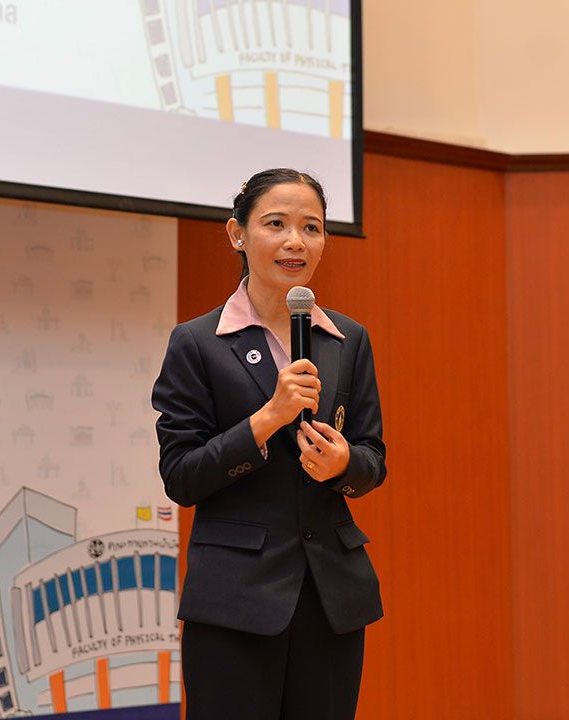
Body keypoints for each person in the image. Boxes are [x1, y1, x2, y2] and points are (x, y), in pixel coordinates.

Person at [151, 168, 386, 719]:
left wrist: (343, 463)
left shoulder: (348, 339)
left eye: (312, 227)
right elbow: (181, 476)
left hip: (331, 598)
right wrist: (265, 420)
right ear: (237, 233)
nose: (295, 241)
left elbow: (373, 458)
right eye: (275, 224)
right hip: (235, 600)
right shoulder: (198, 343)